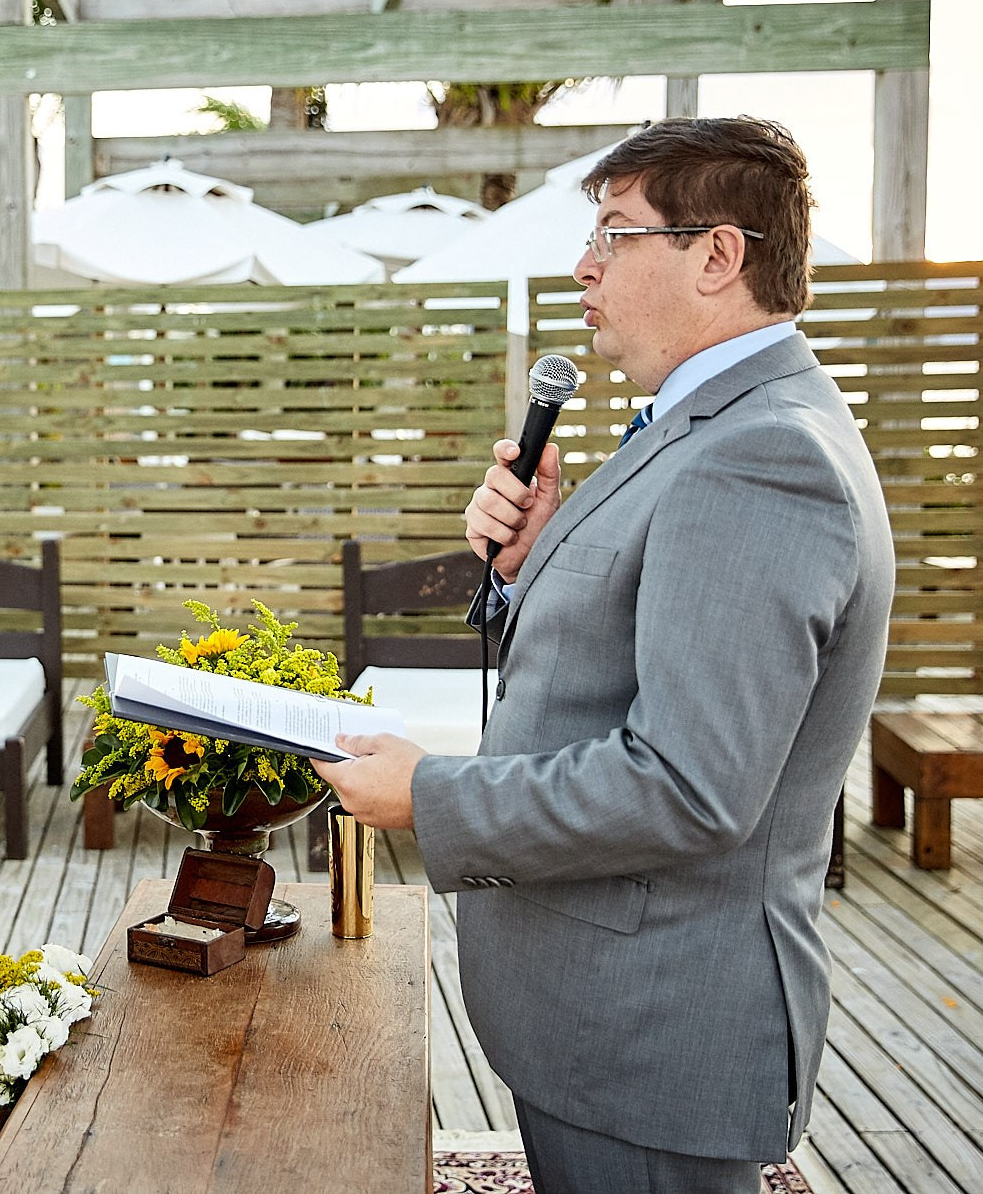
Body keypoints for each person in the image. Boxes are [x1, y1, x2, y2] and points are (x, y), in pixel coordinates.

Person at [316, 118, 895, 1193]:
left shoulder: (761, 454)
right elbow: (614, 658)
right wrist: (522, 567)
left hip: (650, 1027)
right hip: (602, 1010)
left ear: (716, 257)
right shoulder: (706, 425)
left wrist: (427, 797)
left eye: (614, 235)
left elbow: (688, 787)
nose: (582, 266)